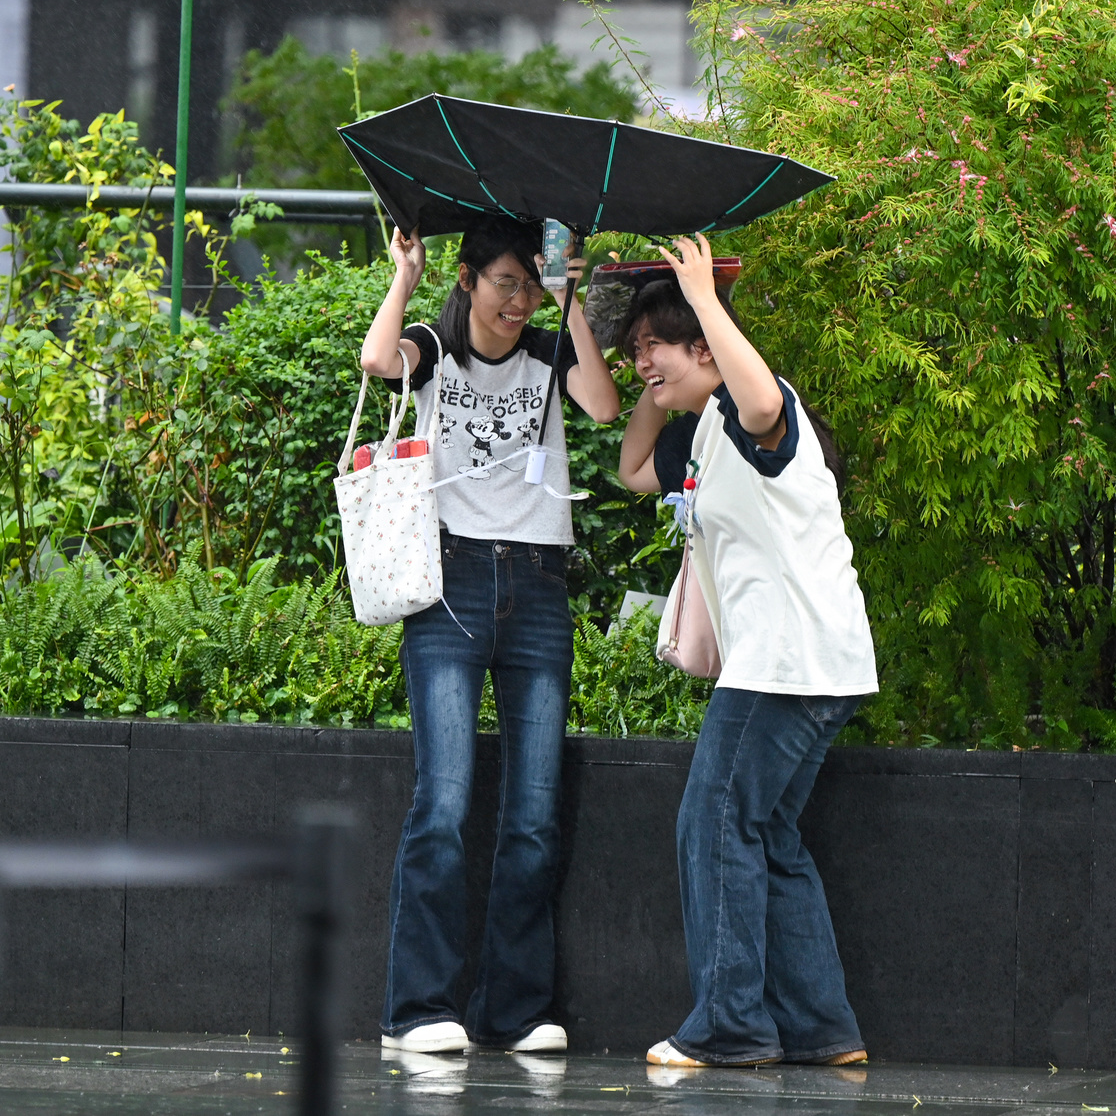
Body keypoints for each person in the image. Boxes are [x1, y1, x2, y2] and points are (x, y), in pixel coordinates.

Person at [359, 216, 621, 1054]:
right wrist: (404, 277)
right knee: (443, 800)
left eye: (528, 285)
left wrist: (569, 296)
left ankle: (514, 1010)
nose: (519, 301)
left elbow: (604, 405)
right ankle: (417, 1010)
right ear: (469, 279)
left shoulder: (548, 348)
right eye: (505, 283)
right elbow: (376, 360)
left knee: (534, 811)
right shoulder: (436, 347)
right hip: (451, 579)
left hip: (538, 580)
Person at [617, 233, 879, 1068]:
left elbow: (759, 399)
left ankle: (730, 1023)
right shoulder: (702, 433)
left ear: (704, 345)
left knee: (714, 821)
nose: (641, 363)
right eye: (635, 351)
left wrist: (702, 298)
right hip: (812, 662)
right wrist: (651, 380)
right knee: (770, 834)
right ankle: (821, 1027)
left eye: (653, 347)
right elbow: (632, 467)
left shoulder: (754, 409)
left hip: (784, 662)